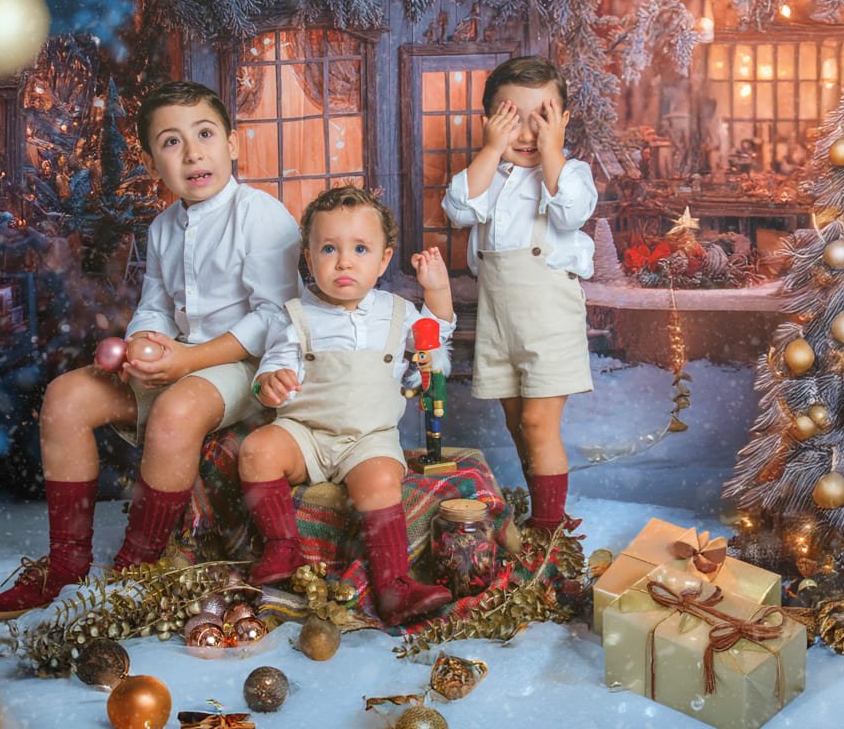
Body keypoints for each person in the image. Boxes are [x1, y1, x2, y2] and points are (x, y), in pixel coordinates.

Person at [0, 81, 301, 621]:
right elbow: (154, 303)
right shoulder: (162, 226)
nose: (193, 152)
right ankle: (66, 563)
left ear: (233, 144)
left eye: (204, 134)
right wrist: (142, 347)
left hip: (242, 366)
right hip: (179, 358)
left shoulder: (260, 215)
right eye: (171, 143)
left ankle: (138, 564)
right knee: (65, 396)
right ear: (154, 162)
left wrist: (189, 361)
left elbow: (276, 319)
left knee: (177, 411)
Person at [237, 186, 456, 626]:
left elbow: (437, 345)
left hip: (368, 438)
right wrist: (269, 385)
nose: (344, 261)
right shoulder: (295, 315)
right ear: (309, 257)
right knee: (256, 449)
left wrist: (438, 290)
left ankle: (394, 586)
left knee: (377, 480)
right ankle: (283, 548)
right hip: (306, 433)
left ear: (383, 260)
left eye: (360, 249)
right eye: (329, 249)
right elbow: (272, 368)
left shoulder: (400, 313)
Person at [441, 55, 597, 537]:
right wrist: (491, 150)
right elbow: (458, 209)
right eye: (513, 120)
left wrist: (553, 151)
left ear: (564, 121)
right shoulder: (490, 177)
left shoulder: (572, 173)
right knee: (516, 422)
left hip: (550, 316)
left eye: (543, 119)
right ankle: (542, 503)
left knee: (536, 422)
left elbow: (571, 213)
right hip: (500, 319)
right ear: (490, 122)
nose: (529, 134)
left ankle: (549, 527)